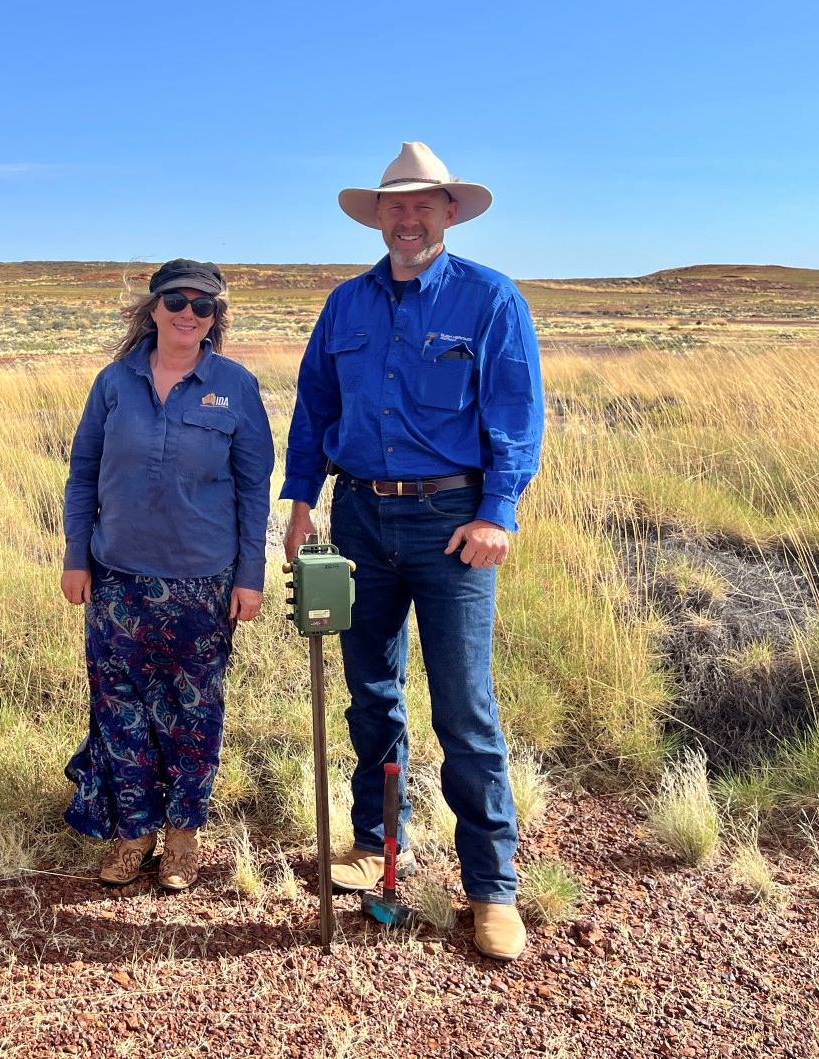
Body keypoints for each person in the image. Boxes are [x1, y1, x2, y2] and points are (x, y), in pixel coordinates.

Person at [281, 143, 545, 960]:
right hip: (358, 520)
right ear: (380, 216)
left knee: (464, 708)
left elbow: (515, 414)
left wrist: (497, 510)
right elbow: (314, 404)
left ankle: (491, 886)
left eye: (422, 205)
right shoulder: (345, 306)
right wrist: (301, 501)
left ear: (449, 213)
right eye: (394, 207)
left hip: (453, 526)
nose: (407, 218)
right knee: (370, 694)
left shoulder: (490, 300)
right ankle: (373, 843)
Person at [60, 259, 275, 890]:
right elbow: (82, 475)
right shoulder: (113, 382)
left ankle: (183, 838)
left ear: (216, 317)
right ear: (152, 308)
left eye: (203, 305)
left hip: (202, 581)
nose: (189, 313)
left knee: (194, 712)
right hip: (117, 577)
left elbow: (252, 487)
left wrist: (250, 575)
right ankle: (133, 832)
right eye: (176, 300)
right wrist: (77, 557)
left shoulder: (235, 385)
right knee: (119, 710)